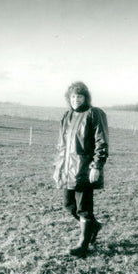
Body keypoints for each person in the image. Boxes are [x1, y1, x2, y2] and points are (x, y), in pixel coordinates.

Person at [53, 81, 109, 257]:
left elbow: (101, 141)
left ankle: (83, 244)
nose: (76, 100)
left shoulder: (94, 114)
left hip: (84, 169)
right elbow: (61, 146)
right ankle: (93, 225)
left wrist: (96, 166)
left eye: (79, 96)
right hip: (67, 170)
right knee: (69, 205)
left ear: (86, 97)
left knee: (83, 208)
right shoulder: (66, 116)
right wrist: (58, 167)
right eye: (73, 96)